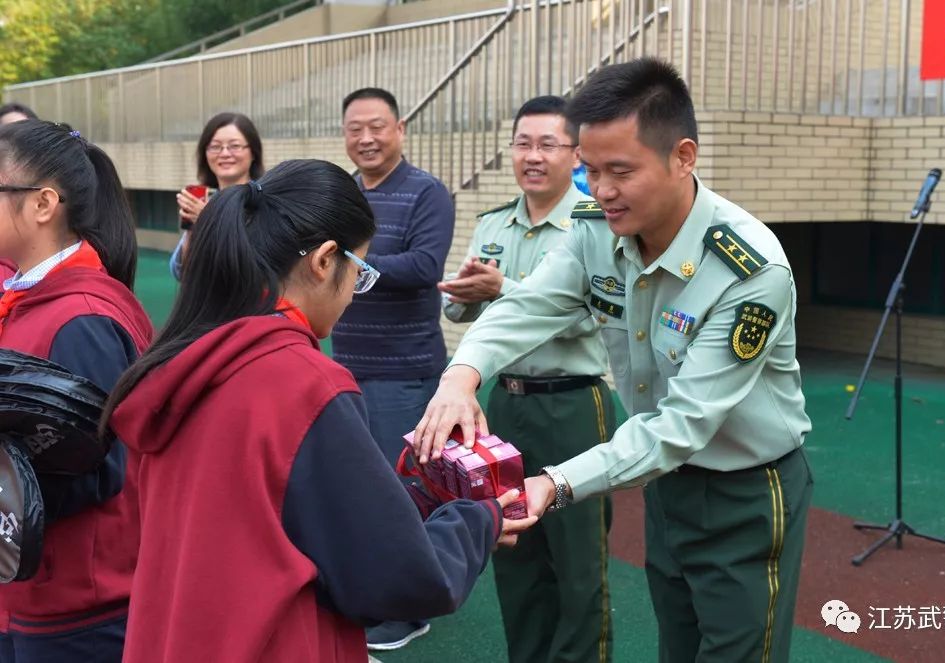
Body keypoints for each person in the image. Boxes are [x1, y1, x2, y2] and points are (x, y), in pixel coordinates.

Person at [414, 58, 813, 663]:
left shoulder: (749, 271)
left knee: (737, 652)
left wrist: (555, 483)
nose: (600, 191)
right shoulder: (596, 228)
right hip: (665, 482)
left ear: (683, 156)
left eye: (620, 171)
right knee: (677, 643)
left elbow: (680, 426)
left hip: (746, 492)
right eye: (591, 169)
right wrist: (460, 377)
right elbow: (529, 307)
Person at [101, 159, 533, 663]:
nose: (354, 291)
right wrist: (478, 521)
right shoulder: (303, 381)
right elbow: (394, 576)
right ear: (325, 260)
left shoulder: (180, 359)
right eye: (361, 271)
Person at [440, 95, 615, 663]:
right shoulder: (494, 222)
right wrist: (465, 298)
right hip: (505, 404)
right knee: (512, 548)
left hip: (573, 406)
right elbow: (464, 315)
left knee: (577, 561)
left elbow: (588, 314)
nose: (532, 156)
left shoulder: (596, 225)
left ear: (576, 155)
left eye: (547, 144)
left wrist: (502, 291)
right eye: (522, 143)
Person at [0, 119, 153, 661]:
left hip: (81, 602)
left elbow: (99, 468)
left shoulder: (81, 317)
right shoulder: (36, 298)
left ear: (43, 204)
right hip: (36, 585)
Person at [339, 88, 455, 651]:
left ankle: (409, 611)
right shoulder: (342, 193)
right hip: (347, 367)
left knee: (401, 491)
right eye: (355, 128)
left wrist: (346, 264)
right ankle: (378, 594)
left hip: (405, 370)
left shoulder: (427, 192)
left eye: (377, 127)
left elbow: (424, 265)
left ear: (401, 128)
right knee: (363, 488)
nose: (366, 138)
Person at [169, 112, 264, 279]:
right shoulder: (204, 202)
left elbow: (261, 264)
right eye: (215, 146)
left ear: (253, 152)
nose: (225, 153)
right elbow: (181, 271)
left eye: (234, 146)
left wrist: (209, 219)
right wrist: (192, 227)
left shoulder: (267, 200)